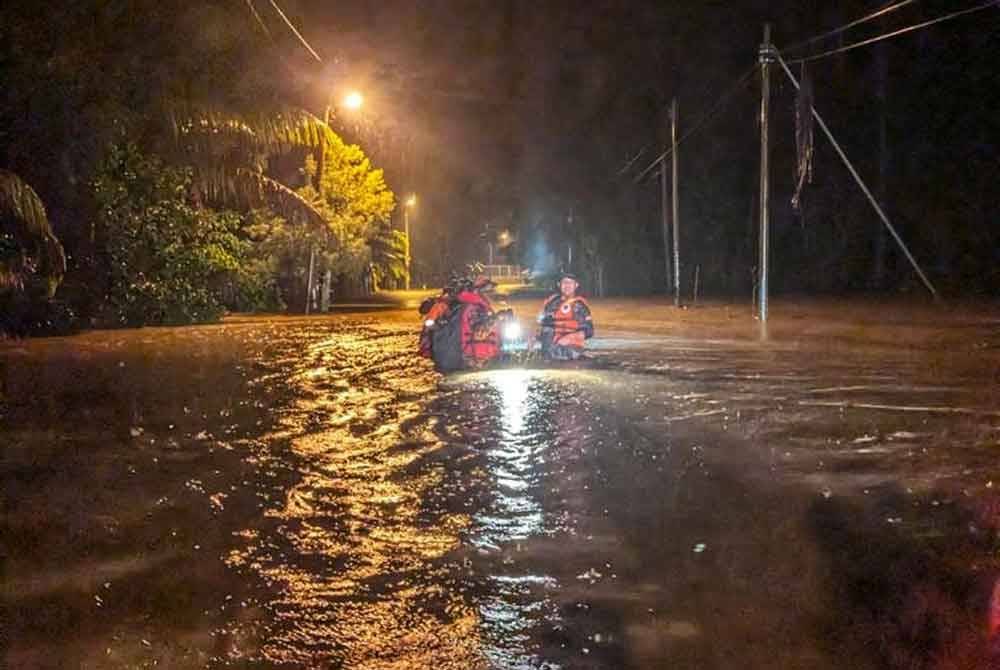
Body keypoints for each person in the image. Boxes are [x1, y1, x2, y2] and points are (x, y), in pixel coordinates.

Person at [537, 272, 594, 360]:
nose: (567, 285)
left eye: (570, 283)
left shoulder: (579, 305)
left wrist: (568, 338)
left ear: (576, 285)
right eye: (564, 282)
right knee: (547, 331)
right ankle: (548, 355)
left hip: (571, 346)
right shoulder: (551, 302)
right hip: (551, 345)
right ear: (559, 285)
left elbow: (589, 331)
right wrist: (534, 337)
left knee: (558, 353)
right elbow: (543, 323)